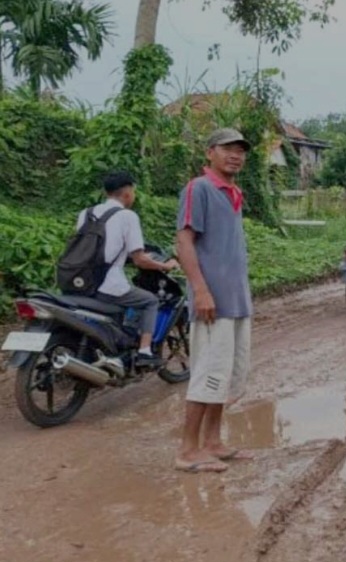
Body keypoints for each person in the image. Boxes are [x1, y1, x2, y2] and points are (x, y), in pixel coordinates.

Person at [174, 128, 255, 473]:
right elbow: (185, 240)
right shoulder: (200, 188)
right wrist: (201, 290)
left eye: (240, 150)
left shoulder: (234, 193)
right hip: (212, 303)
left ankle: (212, 441)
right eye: (227, 149)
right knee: (207, 373)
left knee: (225, 375)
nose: (235, 155)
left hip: (236, 301)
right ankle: (188, 450)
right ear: (210, 153)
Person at [76, 171, 179, 369]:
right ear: (127, 193)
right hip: (107, 285)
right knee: (150, 301)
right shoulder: (127, 216)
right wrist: (165, 265)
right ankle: (145, 352)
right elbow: (140, 260)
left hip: (80, 281)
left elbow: (94, 248)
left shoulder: (86, 213)